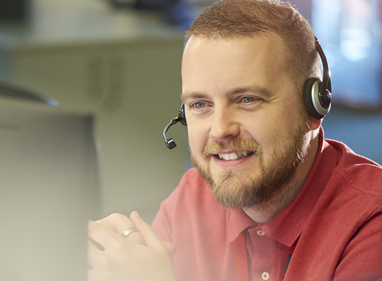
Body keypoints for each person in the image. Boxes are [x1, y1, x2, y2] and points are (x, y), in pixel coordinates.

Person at [87, 0, 382, 280]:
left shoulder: (371, 223)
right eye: (200, 105)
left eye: (247, 99)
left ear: (314, 107)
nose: (219, 130)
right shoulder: (192, 200)